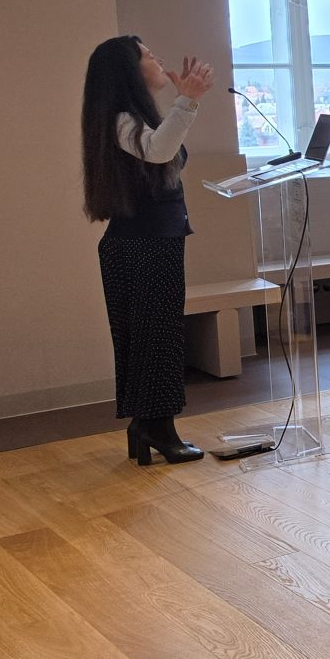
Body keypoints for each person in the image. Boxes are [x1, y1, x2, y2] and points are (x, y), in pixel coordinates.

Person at [81, 37, 213, 464]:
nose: (158, 58)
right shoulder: (120, 120)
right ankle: (156, 428)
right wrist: (187, 102)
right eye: (148, 55)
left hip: (153, 242)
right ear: (129, 70)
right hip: (140, 246)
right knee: (155, 340)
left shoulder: (135, 118)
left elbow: (161, 147)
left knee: (157, 338)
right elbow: (158, 152)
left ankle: (148, 426)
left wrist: (182, 103)